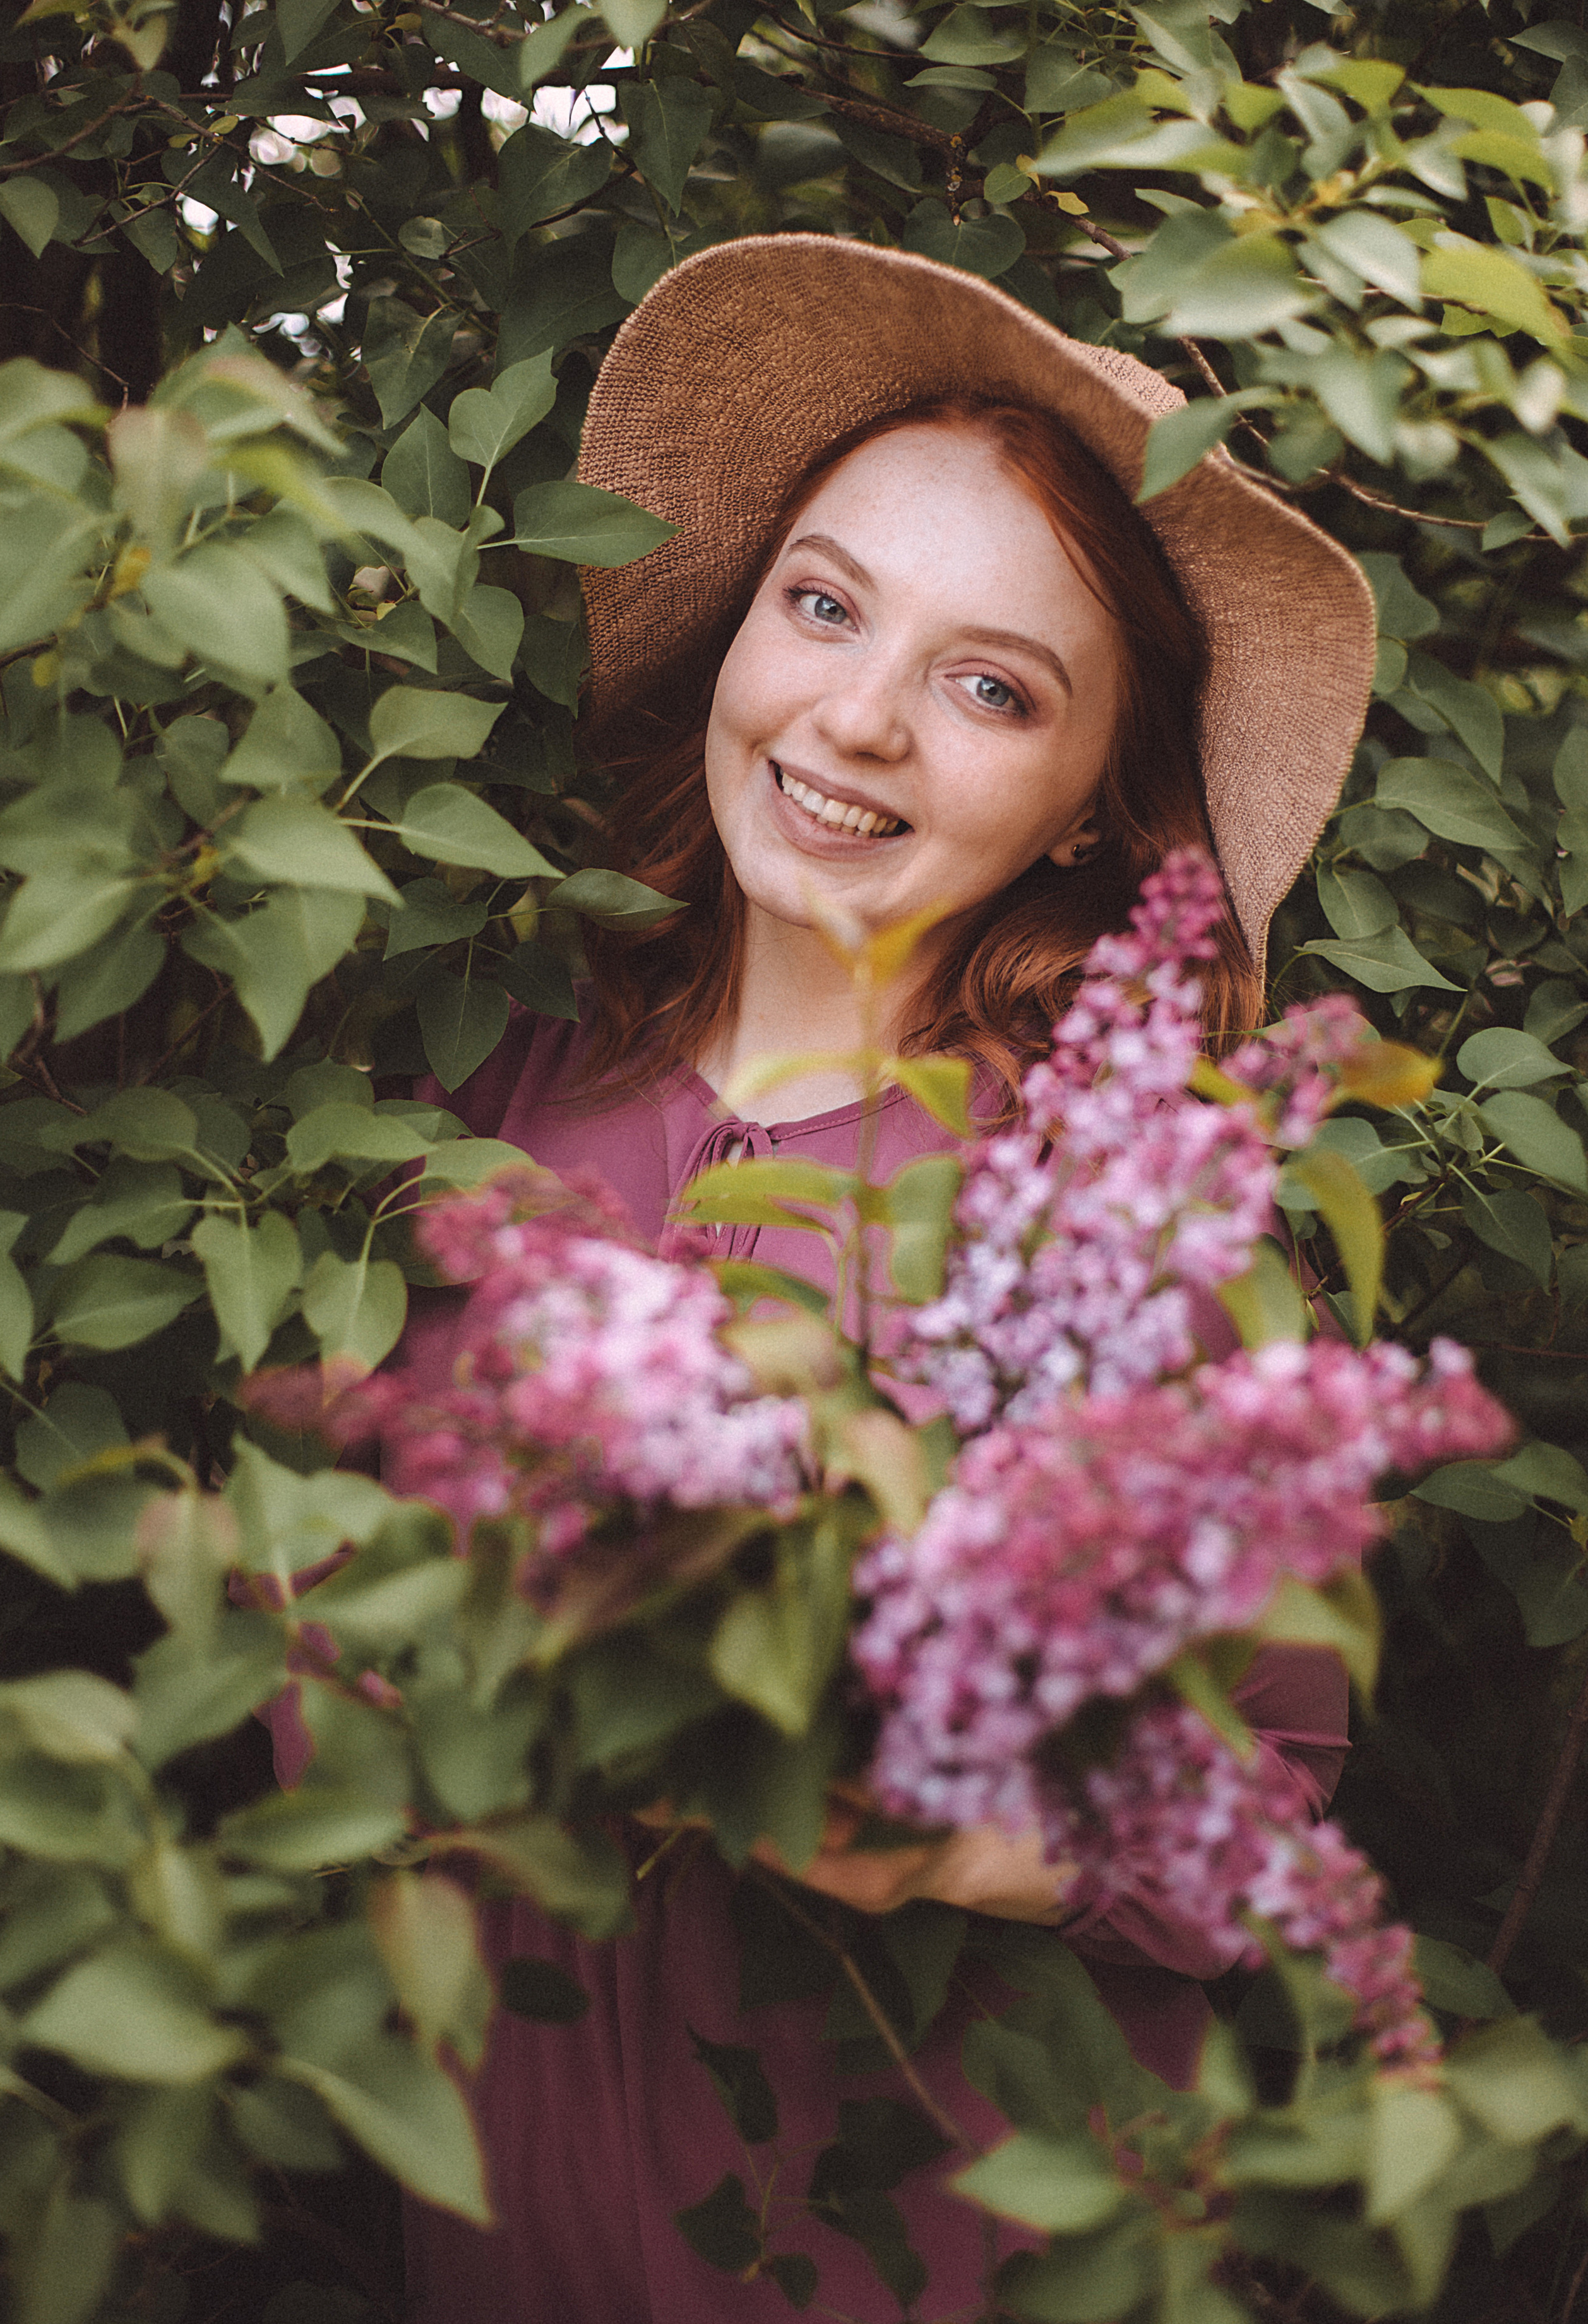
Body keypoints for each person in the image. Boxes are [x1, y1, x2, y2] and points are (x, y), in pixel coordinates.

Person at [396, 234, 1377, 2321]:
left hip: (890, 2247)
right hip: (480, 2207)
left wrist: (932, 1841)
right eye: (827, 604)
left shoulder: (1118, 1219)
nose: (856, 717)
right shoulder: (505, 1079)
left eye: (991, 683)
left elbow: (1260, 1820)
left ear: (1091, 811)